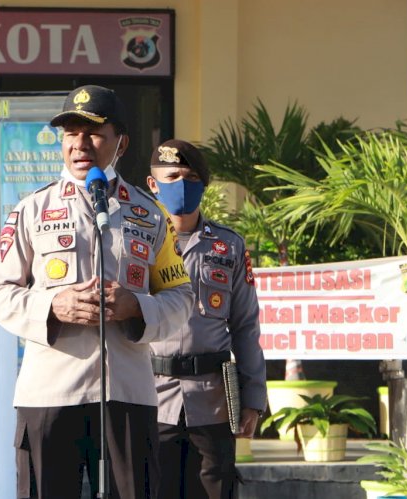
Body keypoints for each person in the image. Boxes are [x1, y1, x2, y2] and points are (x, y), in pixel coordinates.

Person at [0, 85, 194, 499]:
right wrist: (52, 305)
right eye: (70, 133)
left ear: (121, 142)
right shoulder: (31, 209)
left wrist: (138, 307)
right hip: (50, 390)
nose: (80, 145)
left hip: (128, 392)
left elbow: (182, 298)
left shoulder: (148, 214)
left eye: (94, 132)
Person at [146, 139, 267, 499]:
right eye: (172, 176)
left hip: (212, 399)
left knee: (216, 489)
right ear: (153, 185)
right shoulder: (136, 243)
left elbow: (246, 325)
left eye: (191, 176)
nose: (181, 183)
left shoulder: (228, 246)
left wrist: (253, 398)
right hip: (152, 397)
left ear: (203, 185)